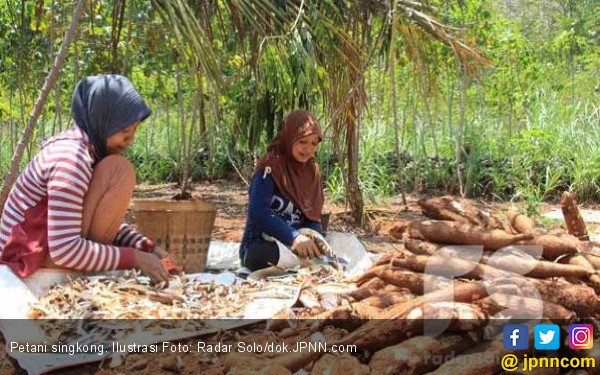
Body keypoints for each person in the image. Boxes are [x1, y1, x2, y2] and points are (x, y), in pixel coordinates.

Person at [0, 74, 169, 282]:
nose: (130, 138)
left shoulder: (86, 150)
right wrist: (134, 258)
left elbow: (84, 217)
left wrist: (146, 247)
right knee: (119, 171)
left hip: (41, 250)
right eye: (124, 129)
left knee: (113, 169)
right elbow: (64, 249)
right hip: (28, 260)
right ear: (102, 119)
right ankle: (85, 269)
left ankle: (92, 262)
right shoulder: (71, 159)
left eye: (134, 129)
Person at [239, 110, 326, 271]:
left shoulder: (312, 172)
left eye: (314, 143)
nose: (308, 149)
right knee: (259, 255)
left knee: (332, 248)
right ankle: (298, 262)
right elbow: (258, 211)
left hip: (299, 245)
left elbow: (313, 216)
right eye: (302, 142)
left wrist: (313, 238)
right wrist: (293, 237)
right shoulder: (271, 166)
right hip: (264, 243)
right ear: (290, 138)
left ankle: (300, 261)